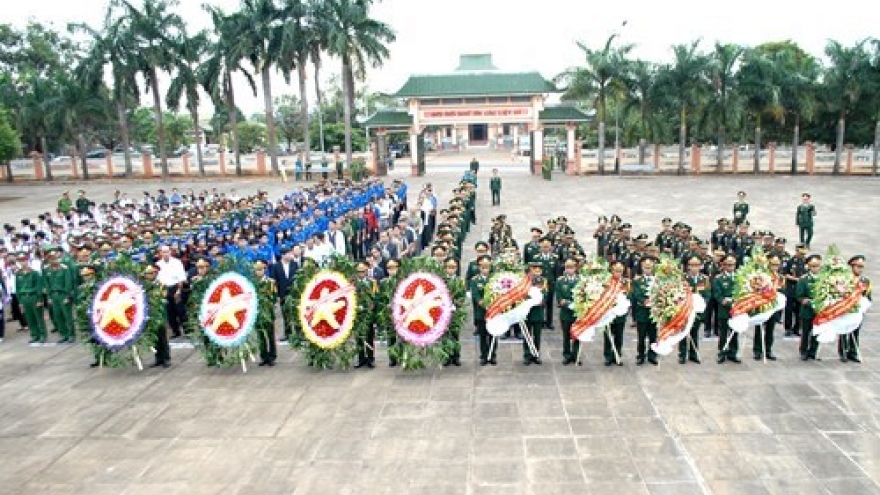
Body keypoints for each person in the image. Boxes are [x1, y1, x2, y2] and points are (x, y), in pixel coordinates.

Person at [840, 255, 870, 363]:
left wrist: (865, 305)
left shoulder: (865, 280)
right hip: (846, 308)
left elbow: (868, 295)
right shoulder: (845, 279)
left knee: (855, 331)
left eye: (861, 267)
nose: (860, 269)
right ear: (852, 266)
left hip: (858, 309)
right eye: (857, 266)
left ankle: (853, 352)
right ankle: (843, 351)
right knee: (844, 331)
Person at [753, 254, 783, 361]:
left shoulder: (779, 277)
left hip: (774, 305)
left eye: (777, 264)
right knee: (759, 328)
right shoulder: (762, 275)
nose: (775, 267)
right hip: (763, 304)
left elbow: (782, 290)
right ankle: (757, 350)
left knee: (770, 329)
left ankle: (768, 350)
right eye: (773, 264)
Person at [43, 248, 75, 344]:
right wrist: (49, 297)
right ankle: (64, 334)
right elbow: (47, 284)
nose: (53, 260)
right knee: (57, 316)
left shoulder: (64, 268)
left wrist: (67, 296)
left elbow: (68, 283)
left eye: (55, 258)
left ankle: (71, 335)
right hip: (54, 295)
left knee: (67, 316)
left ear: (58, 258)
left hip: (63, 295)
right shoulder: (47, 269)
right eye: (51, 258)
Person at [680, 255, 708, 364]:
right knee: (683, 331)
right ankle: (682, 355)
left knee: (694, 332)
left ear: (701, 266)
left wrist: (701, 303)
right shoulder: (683, 278)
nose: (694, 267)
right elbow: (679, 293)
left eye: (697, 265)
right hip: (685, 309)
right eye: (692, 265)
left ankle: (693, 354)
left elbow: (707, 294)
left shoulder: (704, 279)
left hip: (698, 310)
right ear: (688, 266)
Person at [156, 245, 187, 339]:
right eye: (163, 252)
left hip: (176, 287)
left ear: (170, 252)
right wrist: (162, 291)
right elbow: (158, 279)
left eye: (167, 251)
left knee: (180, 310)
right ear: (160, 253)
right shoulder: (158, 264)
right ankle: (175, 331)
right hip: (165, 289)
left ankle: (188, 330)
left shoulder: (177, 262)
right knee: (169, 312)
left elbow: (181, 277)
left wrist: (178, 290)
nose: (165, 253)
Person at [631, 257, 658, 365]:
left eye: (650, 268)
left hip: (654, 312)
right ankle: (640, 355)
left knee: (653, 336)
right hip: (642, 312)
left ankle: (652, 355)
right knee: (641, 336)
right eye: (646, 268)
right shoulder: (638, 280)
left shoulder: (656, 280)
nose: (648, 270)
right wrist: (644, 301)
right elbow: (636, 294)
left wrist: (656, 301)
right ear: (642, 268)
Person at [714, 254, 740, 363]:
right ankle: (722, 352)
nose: (730, 267)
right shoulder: (719, 278)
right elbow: (717, 294)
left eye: (732, 264)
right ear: (723, 265)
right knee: (723, 333)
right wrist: (727, 302)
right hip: (724, 309)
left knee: (735, 331)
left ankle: (733, 353)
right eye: (728, 265)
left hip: (737, 309)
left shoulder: (739, 277)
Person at [142, 265, 170, 368]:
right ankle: (158, 358)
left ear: (155, 274)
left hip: (159, 313)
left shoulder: (161, 284)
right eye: (147, 274)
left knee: (162, 337)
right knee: (154, 337)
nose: (148, 276)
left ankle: (166, 358)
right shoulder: (144, 286)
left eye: (150, 273)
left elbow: (162, 296)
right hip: (150, 313)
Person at [15, 253, 46, 344]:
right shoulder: (18, 274)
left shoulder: (34, 273)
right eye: (20, 261)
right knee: (29, 318)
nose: (22, 262)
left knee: (38, 317)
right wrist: (20, 302)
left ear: (27, 261)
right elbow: (18, 288)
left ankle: (42, 335)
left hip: (33, 296)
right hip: (24, 298)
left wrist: (39, 299)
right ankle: (34, 335)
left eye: (24, 260)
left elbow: (39, 287)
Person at [796, 254, 822, 361]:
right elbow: (799, 295)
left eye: (817, 266)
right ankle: (803, 351)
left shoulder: (823, 279)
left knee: (817, 331)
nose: (815, 268)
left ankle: (813, 351)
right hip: (807, 310)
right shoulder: (804, 279)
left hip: (819, 311)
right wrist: (808, 301)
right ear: (809, 266)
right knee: (806, 332)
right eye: (813, 266)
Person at [470, 255, 495, 366]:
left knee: (493, 334)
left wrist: (493, 305)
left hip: (494, 312)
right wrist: (485, 305)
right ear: (479, 267)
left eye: (487, 267)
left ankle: (492, 355)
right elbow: (476, 296)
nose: (485, 269)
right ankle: (484, 355)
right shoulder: (475, 280)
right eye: (483, 267)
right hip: (481, 312)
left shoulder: (494, 279)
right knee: (483, 335)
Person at [555, 258, 580, 365]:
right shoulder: (560, 281)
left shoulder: (580, 280)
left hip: (578, 312)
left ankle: (576, 355)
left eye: (571, 267)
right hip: (565, 313)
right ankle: (566, 355)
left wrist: (577, 304)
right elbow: (559, 298)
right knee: (566, 335)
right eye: (567, 267)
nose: (569, 269)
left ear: (575, 268)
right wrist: (569, 304)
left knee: (577, 335)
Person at [271, 247, 299, 341]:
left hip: (294, 293)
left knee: (296, 313)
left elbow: (298, 277)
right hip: (282, 294)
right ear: (283, 255)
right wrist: (277, 295)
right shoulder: (276, 266)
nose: (290, 255)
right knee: (285, 314)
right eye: (288, 254)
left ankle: (299, 333)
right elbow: (274, 282)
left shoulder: (295, 264)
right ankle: (288, 334)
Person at [254, 260, 278, 367]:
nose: (259, 272)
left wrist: (267, 303)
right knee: (261, 336)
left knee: (270, 335)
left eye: (260, 269)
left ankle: (272, 356)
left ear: (264, 270)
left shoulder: (270, 282)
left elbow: (274, 297)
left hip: (268, 312)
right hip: (258, 313)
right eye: (257, 270)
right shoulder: (252, 283)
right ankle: (264, 356)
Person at [353, 262, 377, 369]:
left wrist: (371, 306)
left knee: (369, 337)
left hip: (368, 314)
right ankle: (361, 358)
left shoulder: (372, 282)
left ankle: (371, 359)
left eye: (363, 271)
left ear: (367, 270)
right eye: (359, 271)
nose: (361, 273)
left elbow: (376, 297)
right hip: (357, 314)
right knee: (358, 338)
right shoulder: (352, 283)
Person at [523, 262, 547, 365]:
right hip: (527, 313)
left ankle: (536, 354)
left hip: (538, 313)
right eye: (534, 270)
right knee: (527, 335)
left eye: (538, 270)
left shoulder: (544, 282)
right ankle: (527, 355)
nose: (536, 272)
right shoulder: (525, 282)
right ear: (531, 270)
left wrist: (542, 301)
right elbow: (522, 295)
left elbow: (546, 295)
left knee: (537, 336)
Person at [605, 261, 628, 366]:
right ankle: (608, 356)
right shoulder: (607, 281)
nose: (617, 273)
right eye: (615, 271)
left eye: (620, 271)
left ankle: (617, 355)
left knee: (619, 336)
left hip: (620, 313)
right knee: (608, 335)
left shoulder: (625, 282)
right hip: (608, 312)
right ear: (612, 271)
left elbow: (629, 295)